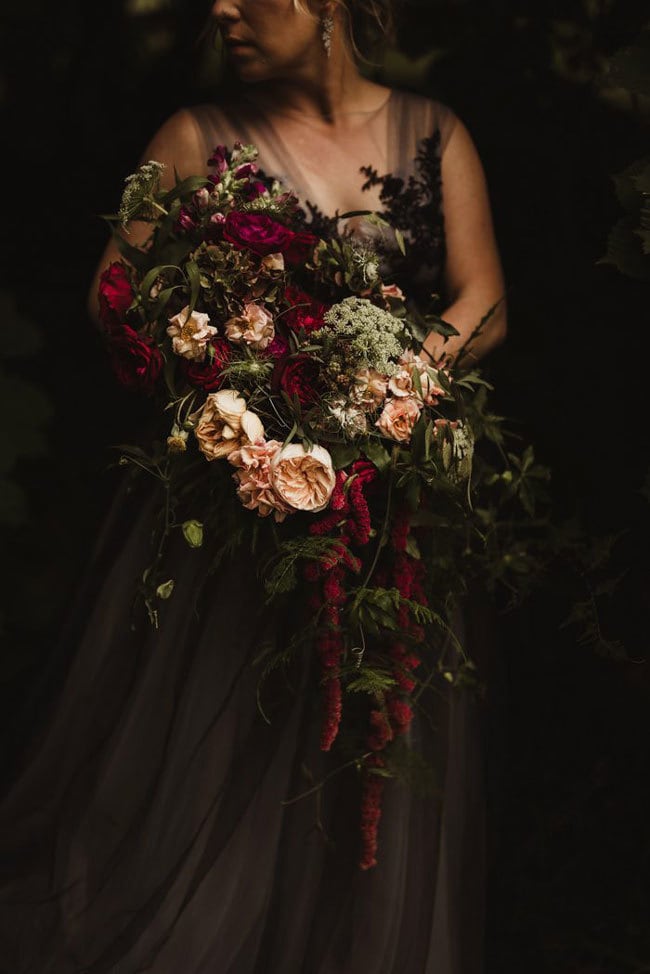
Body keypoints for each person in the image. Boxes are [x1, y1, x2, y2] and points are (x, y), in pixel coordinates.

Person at [1, 1, 506, 971]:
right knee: (213, 738)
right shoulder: (195, 137)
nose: (221, 9)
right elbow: (118, 292)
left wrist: (390, 383)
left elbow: (481, 298)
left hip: (382, 504)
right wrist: (243, 383)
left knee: (364, 749)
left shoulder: (430, 132)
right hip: (239, 499)